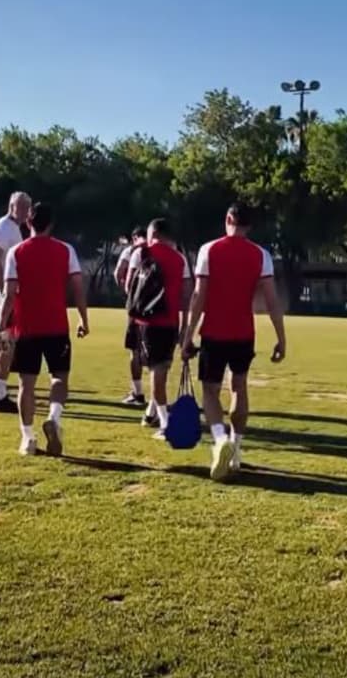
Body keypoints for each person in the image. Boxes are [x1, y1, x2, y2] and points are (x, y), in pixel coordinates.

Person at [181, 203, 286, 481]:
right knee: (239, 386)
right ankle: (236, 450)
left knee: (210, 390)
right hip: (244, 333)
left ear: (228, 218)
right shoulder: (261, 255)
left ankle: (220, 440)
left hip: (214, 332)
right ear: (250, 225)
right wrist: (281, 338)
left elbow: (199, 296)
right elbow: (272, 301)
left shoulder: (209, 250)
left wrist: (188, 335)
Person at [0, 203, 89, 457]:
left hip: (25, 328)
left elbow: (9, 294)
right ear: (52, 224)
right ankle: (54, 418)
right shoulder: (66, 250)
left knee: (26, 384)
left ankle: (27, 438)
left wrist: (2, 327)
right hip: (57, 326)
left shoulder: (16, 252)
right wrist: (84, 319)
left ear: (28, 223)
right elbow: (78, 288)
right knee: (59, 377)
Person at [126, 218, 192, 438]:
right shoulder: (180, 259)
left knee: (156, 372)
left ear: (153, 233)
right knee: (161, 368)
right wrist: (185, 325)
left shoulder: (141, 253)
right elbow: (186, 295)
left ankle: (164, 422)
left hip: (146, 322)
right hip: (170, 321)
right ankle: (151, 413)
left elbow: (129, 286)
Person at [0, 192, 31, 412]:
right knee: (6, 342)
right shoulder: (4, 227)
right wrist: (4, 292)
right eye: (22, 207)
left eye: (27, 208)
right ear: (12, 206)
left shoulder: (12, 229)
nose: (25, 212)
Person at [115, 226, 147, 409]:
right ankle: (158, 399)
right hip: (160, 309)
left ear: (134, 237)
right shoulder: (164, 249)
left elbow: (118, 273)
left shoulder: (132, 251)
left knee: (134, 349)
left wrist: (128, 294)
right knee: (157, 355)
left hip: (137, 308)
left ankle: (138, 392)